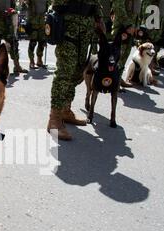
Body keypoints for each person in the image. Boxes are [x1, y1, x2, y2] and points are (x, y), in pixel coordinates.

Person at [48, 0, 104, 141]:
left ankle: (65, 110)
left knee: (77, 73)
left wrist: (99, 18)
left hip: (85, 31)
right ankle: (54, 120)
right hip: (67, 28)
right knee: (64, 73)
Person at [0, 0, 28, 73]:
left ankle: (17, 66)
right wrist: (0, 13)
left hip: (8, 25)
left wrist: (13, 10)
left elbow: (13, 7)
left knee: (14, 44)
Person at [112, 0, 142, 89]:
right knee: (118, 57)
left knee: (124, 56)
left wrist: (136, 27)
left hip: (131, 29)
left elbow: (136, 11)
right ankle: (114, 81)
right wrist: (128, 24)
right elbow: (118, 7)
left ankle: (118, 79)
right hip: (122, 28)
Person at [25, 0, 49, 69]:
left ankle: (39, 61)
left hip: (42, 24)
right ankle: (32, 62)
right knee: (33, 43)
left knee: (42, 43)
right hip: (33, 25)